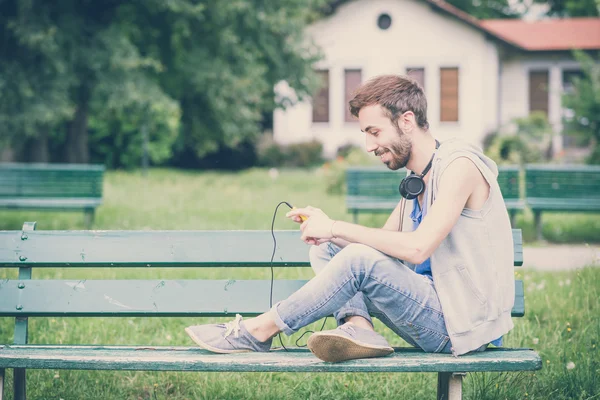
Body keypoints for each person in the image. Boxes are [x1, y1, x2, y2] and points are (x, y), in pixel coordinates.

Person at [185, 74, 515, 362]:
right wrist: (328, 229)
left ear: (406, 121)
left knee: (354, 255)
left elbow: (416, 249)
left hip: (462, 327)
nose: (369, 146)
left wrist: (335, 227)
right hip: (434, 309)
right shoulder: (419, 179)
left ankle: (258, 331)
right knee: (326, 248)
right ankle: (359, 328)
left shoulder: (460, 165)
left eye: (374, 131)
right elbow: (383, 248)